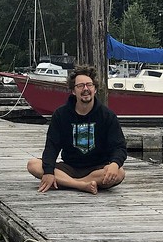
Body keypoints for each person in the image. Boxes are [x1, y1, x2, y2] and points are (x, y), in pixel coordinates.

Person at [27, 65, 126, 195]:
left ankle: (68, 182)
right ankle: (81, 185)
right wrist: (49, 171)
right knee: (33, 164)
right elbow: (52, 147)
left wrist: (114, 163)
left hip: (97, 167)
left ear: (95, 89)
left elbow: (119, 147)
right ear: (73, 91)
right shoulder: (61, 114)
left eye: (89, 85)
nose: (85, 89)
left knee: (120, 173)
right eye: (80, 86)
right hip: (70, 167)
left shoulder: (107, 115)